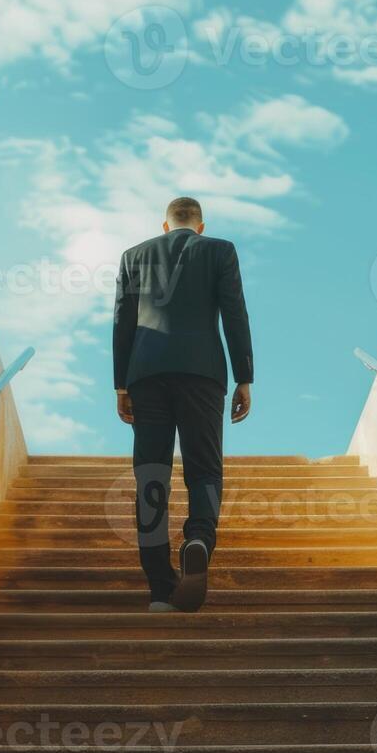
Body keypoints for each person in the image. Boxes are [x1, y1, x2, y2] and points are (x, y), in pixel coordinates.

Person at [112, 197, 254, 612]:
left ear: (165, 224)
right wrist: (244, 375)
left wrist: (121, 385)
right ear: (201, 225)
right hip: (202, 373)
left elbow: (122, 319)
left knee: (151, 475)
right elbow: (235, 313)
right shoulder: (220, 251)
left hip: (146, 375)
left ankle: (160, 589)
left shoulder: (133, 256)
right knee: (204, 467)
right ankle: (198, 538)